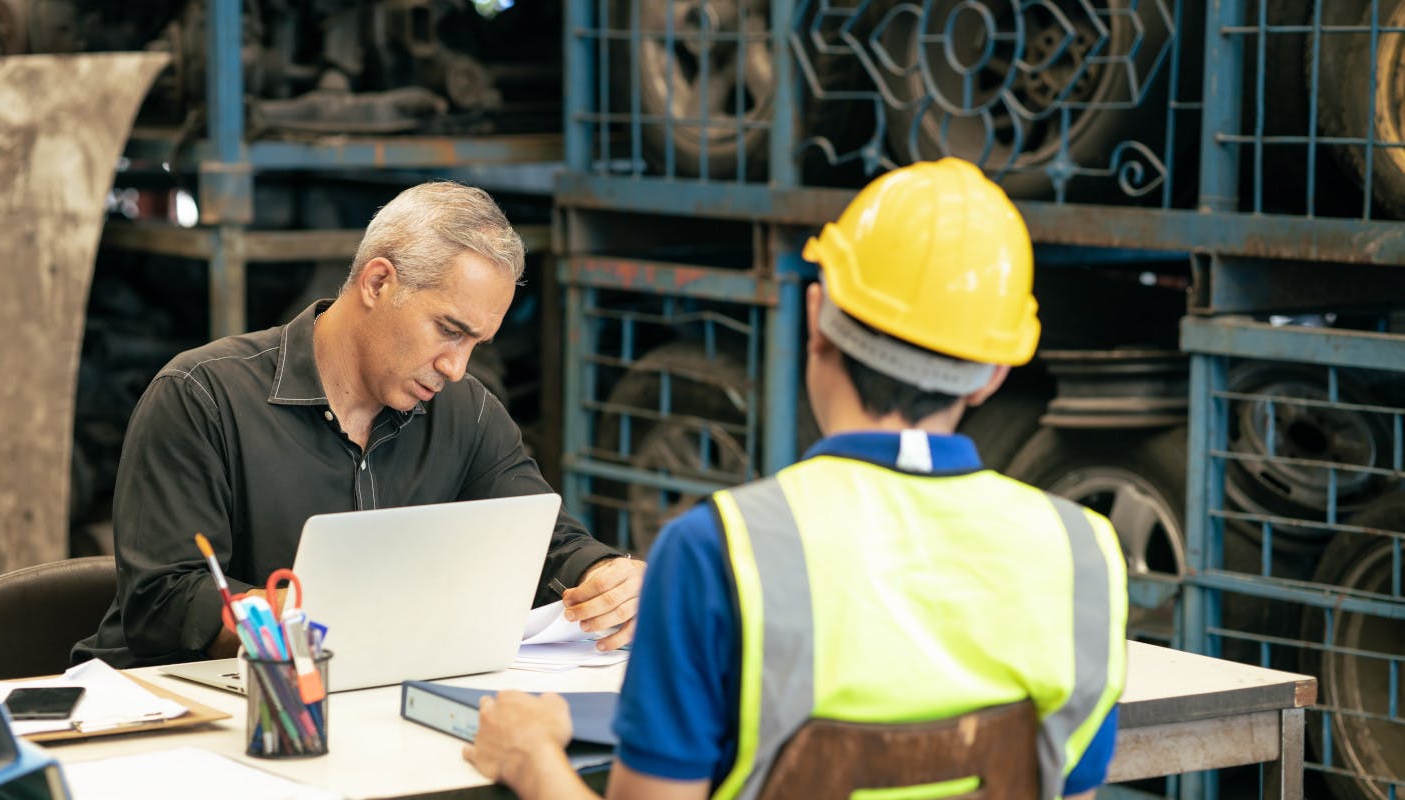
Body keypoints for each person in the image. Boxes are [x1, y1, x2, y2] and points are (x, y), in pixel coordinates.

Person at [462, 159, 1129, 800]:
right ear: (993, 374)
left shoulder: (716, 551)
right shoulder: (1083, 553)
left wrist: (531, 760)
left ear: (816, 319)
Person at [74, 181, 643, 668]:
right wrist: (318, 619)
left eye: (475, 342)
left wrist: (607, 575)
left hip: (359, 704)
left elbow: (548, 541)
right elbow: (165, 601)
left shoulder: (466, 412)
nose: (457, 366)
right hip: (165, 714)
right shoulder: (201, 397)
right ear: (377, 283)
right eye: (449, 329)